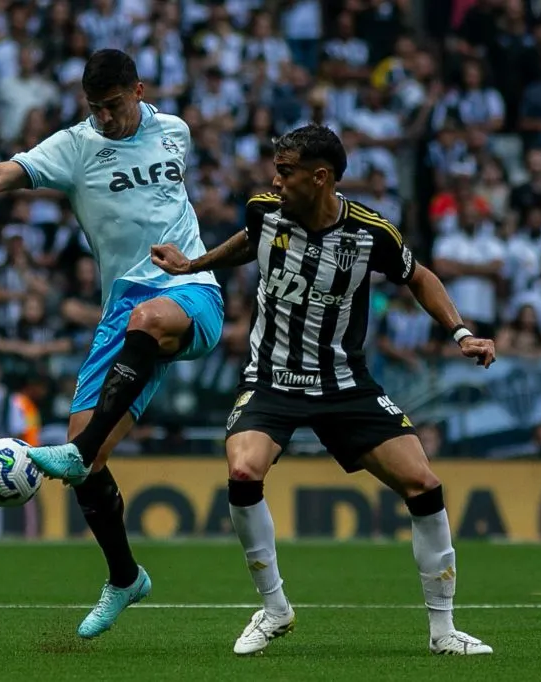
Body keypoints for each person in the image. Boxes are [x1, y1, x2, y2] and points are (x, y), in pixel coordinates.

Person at [0, 49, 224, 638]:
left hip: (188, 290)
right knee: (88, 461)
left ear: (138, 89)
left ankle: (80, 451)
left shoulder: (174, 131)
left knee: (149, 322)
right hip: (122, 312)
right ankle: (126, 577)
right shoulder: (75, 146)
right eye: (94, 108)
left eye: (112, 105)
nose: (103, 118)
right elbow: (0, 175)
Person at [151, 125, 495, 656]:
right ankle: (274, 609)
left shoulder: (371, 233)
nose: (275, 179)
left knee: (424, 485)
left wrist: (462, 333)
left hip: (346, 385)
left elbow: (419, 276)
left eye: (285, 171)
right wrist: (193, 265)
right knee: (243, 471)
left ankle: (443, 629)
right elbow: (249, 242)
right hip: (271, 378)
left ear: (320, 177)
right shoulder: (264, 209)